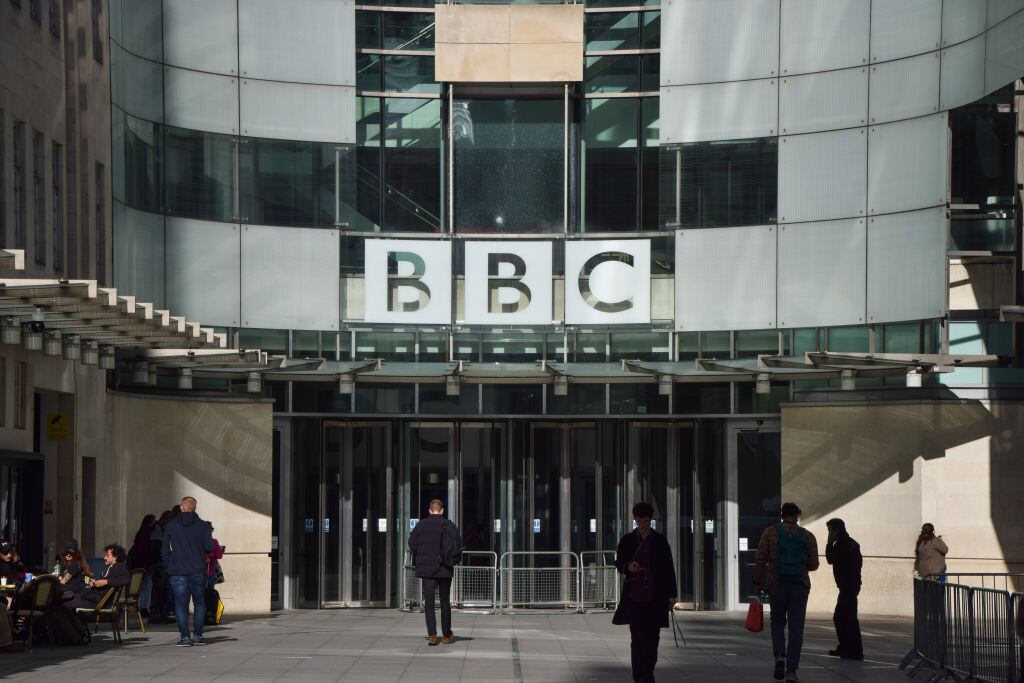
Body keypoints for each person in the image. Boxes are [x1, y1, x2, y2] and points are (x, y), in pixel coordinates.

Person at [753, 502, 820, 683]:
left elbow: (760, 559)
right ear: (798, 515)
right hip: (800, 586)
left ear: (781, 515)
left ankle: (779, 656)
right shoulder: (807, 536)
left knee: (777, 623)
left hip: (777, 585)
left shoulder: (769, 533)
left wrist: (757, 583)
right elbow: (814, 565)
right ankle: (791, 671)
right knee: (796, 628)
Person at [614, 502, 677, 683]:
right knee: (638, 638)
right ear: (635, 519)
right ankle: (641, 677)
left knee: (652, 639)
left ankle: (647, 672)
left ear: (651, 520)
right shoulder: (627, 540)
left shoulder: (660, 540)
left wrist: (672, 594)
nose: (642, 524)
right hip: (634, 597)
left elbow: (668, 568)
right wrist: (628, 567)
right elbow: (619, 563)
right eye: (639, 520)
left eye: (646, 520)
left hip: (655, 597)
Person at [408, 499, 462, 646]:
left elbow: (412, 544)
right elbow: (458, 545)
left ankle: (432, 635)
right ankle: (446, 635)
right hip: (445, 568)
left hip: (427, 570)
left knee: (429, 603)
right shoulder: (450, 526)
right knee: (445, 602)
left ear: (430, 510)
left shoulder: (421, 525)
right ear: (442, 510)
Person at [162, 496, 214, 647]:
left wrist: (168, 565)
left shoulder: (171, 525)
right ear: (195, 508)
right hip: (197, 569)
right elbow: (209, 547)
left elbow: (164, 549)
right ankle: (198, 636)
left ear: (181, 507)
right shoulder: (203, 525)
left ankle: (185, 637)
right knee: (199, 603)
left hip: (177, 570)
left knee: (180, 605)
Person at [825, 518, 863, 660]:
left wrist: (829, 544)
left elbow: (830, 559)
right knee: (847, 618)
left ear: (836, 530)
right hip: (851, 586)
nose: (829, 534)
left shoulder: (841, 544)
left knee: (843, 618)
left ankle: (852, 649)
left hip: (847, 587)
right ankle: (848, 648)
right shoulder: (853, 543)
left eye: (830, 531)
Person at [65, 544, 130, 609]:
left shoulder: (119, 566)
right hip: (94, 597)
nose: (104, 558)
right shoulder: (109, 568)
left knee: (65, 602)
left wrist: (106, 582)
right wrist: (94, 583)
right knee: (77, 587)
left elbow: (126, 579)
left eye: (107, 556)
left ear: (115, 557)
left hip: (97, 601)